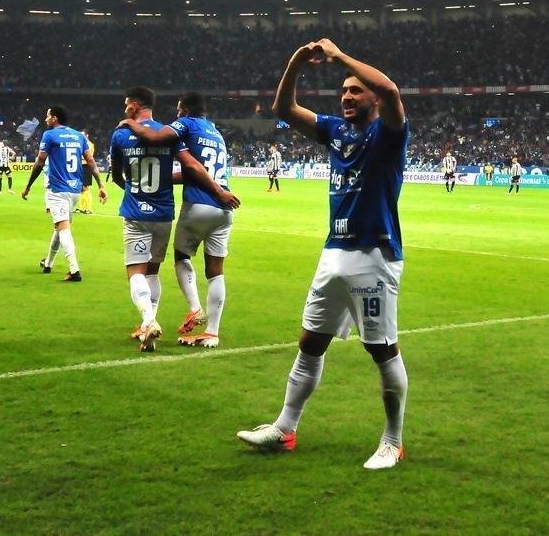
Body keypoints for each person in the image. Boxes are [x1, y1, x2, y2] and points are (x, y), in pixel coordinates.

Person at [237, 37, 409, 471]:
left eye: (355, 90)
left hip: (374, 254)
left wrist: (340, 57)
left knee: (381, 349)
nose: (347, 96)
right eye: (344, 90)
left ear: (370, 96)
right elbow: (284, 110)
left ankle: (392, 441)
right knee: (310, 342)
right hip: (333, 251)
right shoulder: (335, 130)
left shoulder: (387, 132)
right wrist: (295, 59)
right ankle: (285, 427)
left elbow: (391, 91)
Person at [112, 87, 239, 352]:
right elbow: (191, 167)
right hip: (222, 208)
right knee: (215, 272)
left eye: (180, 108)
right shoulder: (215, 132)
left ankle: (177, 313)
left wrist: (129, 124)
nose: (177, 112)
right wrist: (221, 192)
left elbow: (157, 140)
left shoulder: (178, 126)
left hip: (196, 205)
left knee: (177, 259)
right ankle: (212, 332)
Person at [21, 107, 106, 282]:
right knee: (58, 228)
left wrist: (28, 185)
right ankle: (48, 263)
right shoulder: (79, 136)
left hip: (57, 189)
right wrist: (101, 185)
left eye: (47, 116)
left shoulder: (50, 135)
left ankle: (74, 270)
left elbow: (40, 161)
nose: (45, 119)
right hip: (75, 190)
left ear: (54, 118)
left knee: (64, 230)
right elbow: (90, 161)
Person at [77, 130, 97, 214]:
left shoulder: (89, 144)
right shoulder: (81, 143)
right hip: (81, 166)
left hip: (86, 166)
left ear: (87, 135)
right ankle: (81, 207)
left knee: (85, 188)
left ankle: (88, 208)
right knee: (81, 188)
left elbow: (88, 157)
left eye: (82, 135)